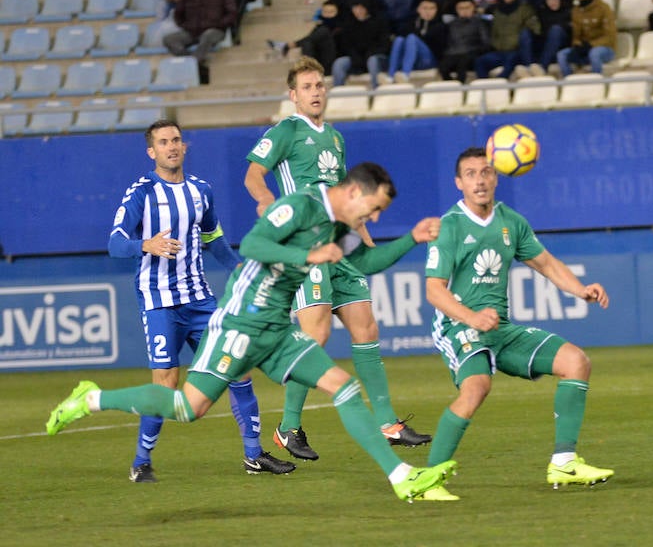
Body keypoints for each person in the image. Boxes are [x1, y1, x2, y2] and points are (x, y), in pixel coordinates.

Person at [46, 163, 458, 503]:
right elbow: (255, 246)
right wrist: (307, 255)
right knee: (189, 408)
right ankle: (92, 398)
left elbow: (366, 261)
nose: (375, 218)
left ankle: (402, 477)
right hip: (241, 324)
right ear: (353, 192)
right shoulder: (300, 206)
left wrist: (412, 239)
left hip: (277, 330)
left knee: (344, 387)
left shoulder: (340, 229)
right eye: (375, 207)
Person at [244, 56, 434, 462]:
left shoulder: (335, 138)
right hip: (307, 248)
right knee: (316, 337)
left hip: (341, 246)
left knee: (366, 326)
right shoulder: (285, 131)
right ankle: (288, 427)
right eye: (308, 87)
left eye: (320, 85)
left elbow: (351, 200)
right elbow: (254, 175)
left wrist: (364, 240)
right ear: (293, 95)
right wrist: (267, 203)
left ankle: (387, 423)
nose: (316, 92)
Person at [417, 146, 614, 501]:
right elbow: (434, 291)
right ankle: (428, 480)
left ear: (496, 177)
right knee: (476, 386)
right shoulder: (449, 226)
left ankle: (565, 463)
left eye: (486, 172)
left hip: (500, 328)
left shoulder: (511, 221)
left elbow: (547, 264)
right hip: (458, 325)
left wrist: (581, 290)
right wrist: (472, 317)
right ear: (458, 183)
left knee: (576, 362)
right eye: (471, 174)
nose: (480, 180)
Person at [105, 119, 295, 482]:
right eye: (163, 142)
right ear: (152, 151)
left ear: (184, 146)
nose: (172, 146)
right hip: (160, 302)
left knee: (237, 369)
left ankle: (254, 455)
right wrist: (146, 244)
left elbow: (213, 239)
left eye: (176, 139)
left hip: (200, 301)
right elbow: (115, 242)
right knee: (166, 381)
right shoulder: (141, 192)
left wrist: (243, 269)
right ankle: (141, 462)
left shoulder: (201, 191)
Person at [163, 0, 237, 85]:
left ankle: (191, 66)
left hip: (215, 29)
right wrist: (184, 25)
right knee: (169, 39)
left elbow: (232, 13)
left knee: (207, 36)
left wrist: (219, 24)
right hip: (191, 31)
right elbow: (178, 13)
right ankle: (196, 64)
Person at [473, 0, 541, 79]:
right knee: (480, 61)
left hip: (517, 52)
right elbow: (493, 32)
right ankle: (486, 88)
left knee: (510, 62)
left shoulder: (526, 8)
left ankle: (499, 86)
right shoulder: (497, 10)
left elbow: (535, 30)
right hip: (500, 51)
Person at [557, 0, 616, 77]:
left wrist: (591, 45)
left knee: (594, 54)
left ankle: (597, 81)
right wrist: (578, 45)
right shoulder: (576, 11)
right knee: (561, 55)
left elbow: (610, 36)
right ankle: (569, 81)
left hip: (605, 48)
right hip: (585, 48)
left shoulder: (604, 8)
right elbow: (576, 36)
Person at [331, 1, 393, 87]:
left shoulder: (378, 22)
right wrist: (356, 57)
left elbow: (385, 44)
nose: (358, 11)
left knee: (373, 61)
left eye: (361, 8)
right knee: (339, 63)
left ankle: (376, 91)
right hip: (357, 59)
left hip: (376, 57)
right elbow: (347, 46)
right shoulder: (349, 24)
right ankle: (337, 93)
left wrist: (369, 54)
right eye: (355, 8)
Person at [267, 1, 342, 72]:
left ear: (337, 12)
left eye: (331, 12)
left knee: (323, 31)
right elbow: (310, 40)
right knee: (307, 43)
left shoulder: (341, 27)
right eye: (325, 12)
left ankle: (288, 45)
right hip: (320, 61)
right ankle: (309, 70)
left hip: (335, 62)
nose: (328, 15)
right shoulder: (319, 27)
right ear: (321, 12)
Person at [386, 0, 447, 83]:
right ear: (418, 9)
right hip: (412, 59)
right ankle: (390, 76)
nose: (428, 12)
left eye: (432, 8)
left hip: (429, 60)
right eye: (425, 8)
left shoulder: (440, 26)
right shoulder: (412, 23)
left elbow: (439, 48)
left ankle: (405, 74)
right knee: (399, 39)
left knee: (412, 38)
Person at [439, 0, 491, 81]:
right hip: (453, 52)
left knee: (462, 64)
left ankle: (461, 88)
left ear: (473, 8)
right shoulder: (451, 25)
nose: (464, 10)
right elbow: (447, 42)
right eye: (461, 8)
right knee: (443, 67)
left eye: (467, 7)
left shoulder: (480, 23)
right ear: (457, 10)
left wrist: (478, 50)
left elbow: (485, 41)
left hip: (472, 51)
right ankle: (452, 86)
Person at [532, 0, 570, 75]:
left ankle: (542, 68)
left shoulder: (569, 12)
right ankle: (531, 67)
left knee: (555, 30)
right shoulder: (542, 14)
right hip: (546, 49)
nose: (552, 1)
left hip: (564, 49)